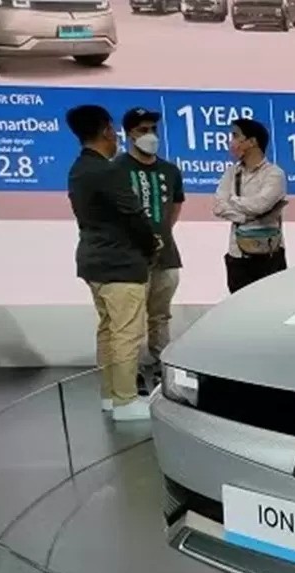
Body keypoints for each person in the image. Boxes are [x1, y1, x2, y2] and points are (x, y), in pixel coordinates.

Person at [65, 104, 162, 422]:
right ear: (108, 130)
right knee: (125, 333)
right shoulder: (107, 171)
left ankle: (110, 394)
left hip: (94, 260)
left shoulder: (79, 169)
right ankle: (125, 400)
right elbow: (133, 215)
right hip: (119, 263)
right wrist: (151, 245)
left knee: (108, 330)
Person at [116, 107, 185, 395]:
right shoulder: (116, 169)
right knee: (130, 320)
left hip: (166, 255)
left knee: (160, 316)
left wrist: (160, 234)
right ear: (130, 134)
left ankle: (160, 369)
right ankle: (129, 374)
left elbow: (175, 207)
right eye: (143, 130)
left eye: (153, 129)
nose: (150, 135)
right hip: (130, 257)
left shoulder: (170, 170)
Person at [213, 118, 287, 293]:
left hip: (269, 254)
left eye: (235, 136)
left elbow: (260, 205)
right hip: (237, 254)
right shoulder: (231, 173)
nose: (231, 142)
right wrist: (245, 216)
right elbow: (218, 206)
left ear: (252, 141)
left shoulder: (274, 174)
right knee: (238, 304)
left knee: (271, 303)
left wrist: (233, 200)